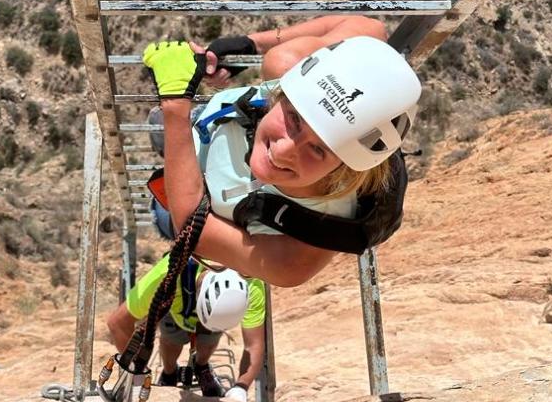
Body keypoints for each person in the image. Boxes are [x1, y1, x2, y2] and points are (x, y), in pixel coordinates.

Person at [141, 15, 422, 288]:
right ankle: (179, 134)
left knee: (163, 211)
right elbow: (371, 28)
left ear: (344, 168)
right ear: (281, 93)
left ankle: (173, 139)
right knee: (275, 62)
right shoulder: (285, 66)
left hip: (196, 201)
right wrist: (250, 44)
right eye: (294, 118)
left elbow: (191, 228)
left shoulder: (294, 256)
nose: (285, 149)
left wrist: (176, 105)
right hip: (215, 125)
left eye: (318, 149)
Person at [106, 253, 266, 402]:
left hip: (203, 313)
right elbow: (118, 323)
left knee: (209, 341)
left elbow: (253, 345)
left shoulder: (252, 285)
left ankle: (201, 366)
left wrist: (241, 387)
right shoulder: (168, 274)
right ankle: (169, 372)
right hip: (174, 307)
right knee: (171, 342)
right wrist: (139, 372)